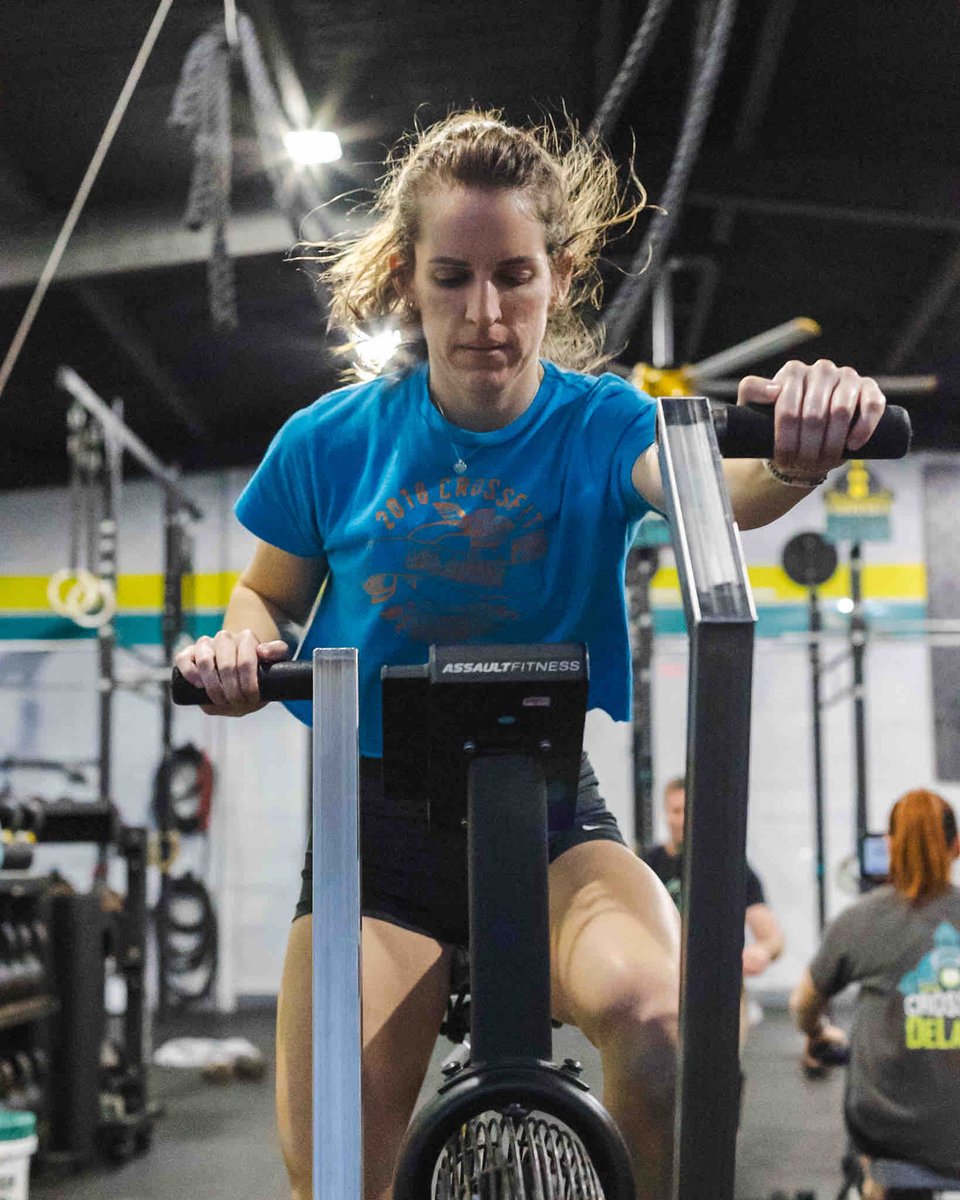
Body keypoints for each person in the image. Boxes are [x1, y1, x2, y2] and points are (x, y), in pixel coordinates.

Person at [174, 111, 888, 1200]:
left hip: (550, 812)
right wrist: (241, 644)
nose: (487, 314)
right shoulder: (331, 440)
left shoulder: (603, 422)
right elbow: (268, 595)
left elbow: (721, 499)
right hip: (374, 833)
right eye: (452, 277)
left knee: (664, 1024)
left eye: (514, 275)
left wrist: (805, 447)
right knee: (329, 1163)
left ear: (558, 274)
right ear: (407, 279)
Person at [790, 790, 960, 1195]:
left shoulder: (860, 920)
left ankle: (874, 1186)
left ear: (891, 847)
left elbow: (802, 1006)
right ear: (956, 846)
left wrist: (817, 1034)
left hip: (893, 1138)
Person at [643, 776, 784, 1046]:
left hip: (718, 990)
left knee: (721, 1079)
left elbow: (772, 936)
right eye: (676, 811)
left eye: (690, 810)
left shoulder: (731, 866)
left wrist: (762, 951)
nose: (684, 819)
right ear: (665, 813)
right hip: (660, 989)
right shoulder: (646, 866)